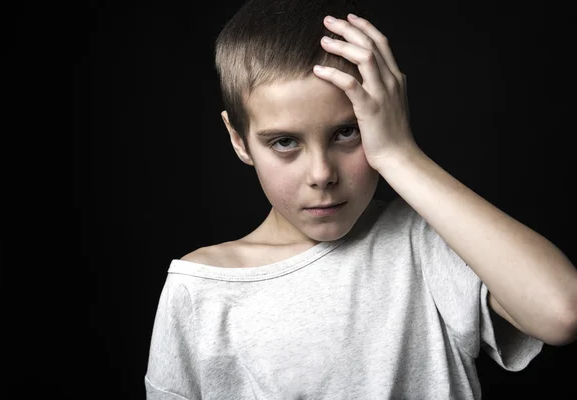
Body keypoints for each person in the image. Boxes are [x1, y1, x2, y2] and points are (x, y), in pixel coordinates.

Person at [144, 0, 577, 398]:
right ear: (238, 140)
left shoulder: (427, 242)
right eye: (283, 142)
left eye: (346, 132)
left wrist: (398, 153)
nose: (321, 174)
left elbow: (562, 311)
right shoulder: (200, 289)